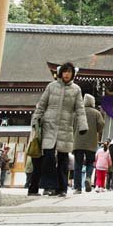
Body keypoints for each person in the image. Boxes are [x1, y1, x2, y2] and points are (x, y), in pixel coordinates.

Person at [30, 61, 88, 196]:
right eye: (65, 71)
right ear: (60, 73)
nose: (67, 74)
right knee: (48, 157)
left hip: (65, 126)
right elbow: (42, 105)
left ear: (73, 74)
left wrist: (83, 125)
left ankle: (62, 188)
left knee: (63, 158)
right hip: (49, 124)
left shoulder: (76, 89)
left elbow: (80, 108)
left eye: (69, 72)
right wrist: (35, 119)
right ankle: (49, 186)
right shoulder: (51, 87)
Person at [73, 93, 105, 193]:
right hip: (91, 142)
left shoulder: (78, 112)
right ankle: (88, 177)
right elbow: (101, 125)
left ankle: (77, 188)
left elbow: (72, 125)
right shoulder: (96, 113)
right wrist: (95, 129)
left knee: (77, 164)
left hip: (78, 142)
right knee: (90, 163)